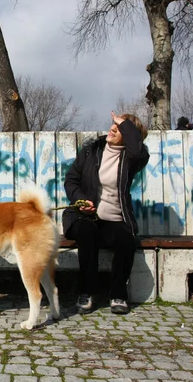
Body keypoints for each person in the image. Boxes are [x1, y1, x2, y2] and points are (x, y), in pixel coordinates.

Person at [62, 111, 149, 315]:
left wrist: (125, 124)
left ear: (129, 134)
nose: (113, 128)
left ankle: (118, 294)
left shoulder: (133, 158)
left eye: (119, 128)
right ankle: (86, 292)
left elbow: (138, 152)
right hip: (84, 217)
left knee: (126, 240)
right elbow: (71, 180)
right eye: (113, 125)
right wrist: (80, 200)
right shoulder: (91, 150)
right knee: (86, 230)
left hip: (114, 219)